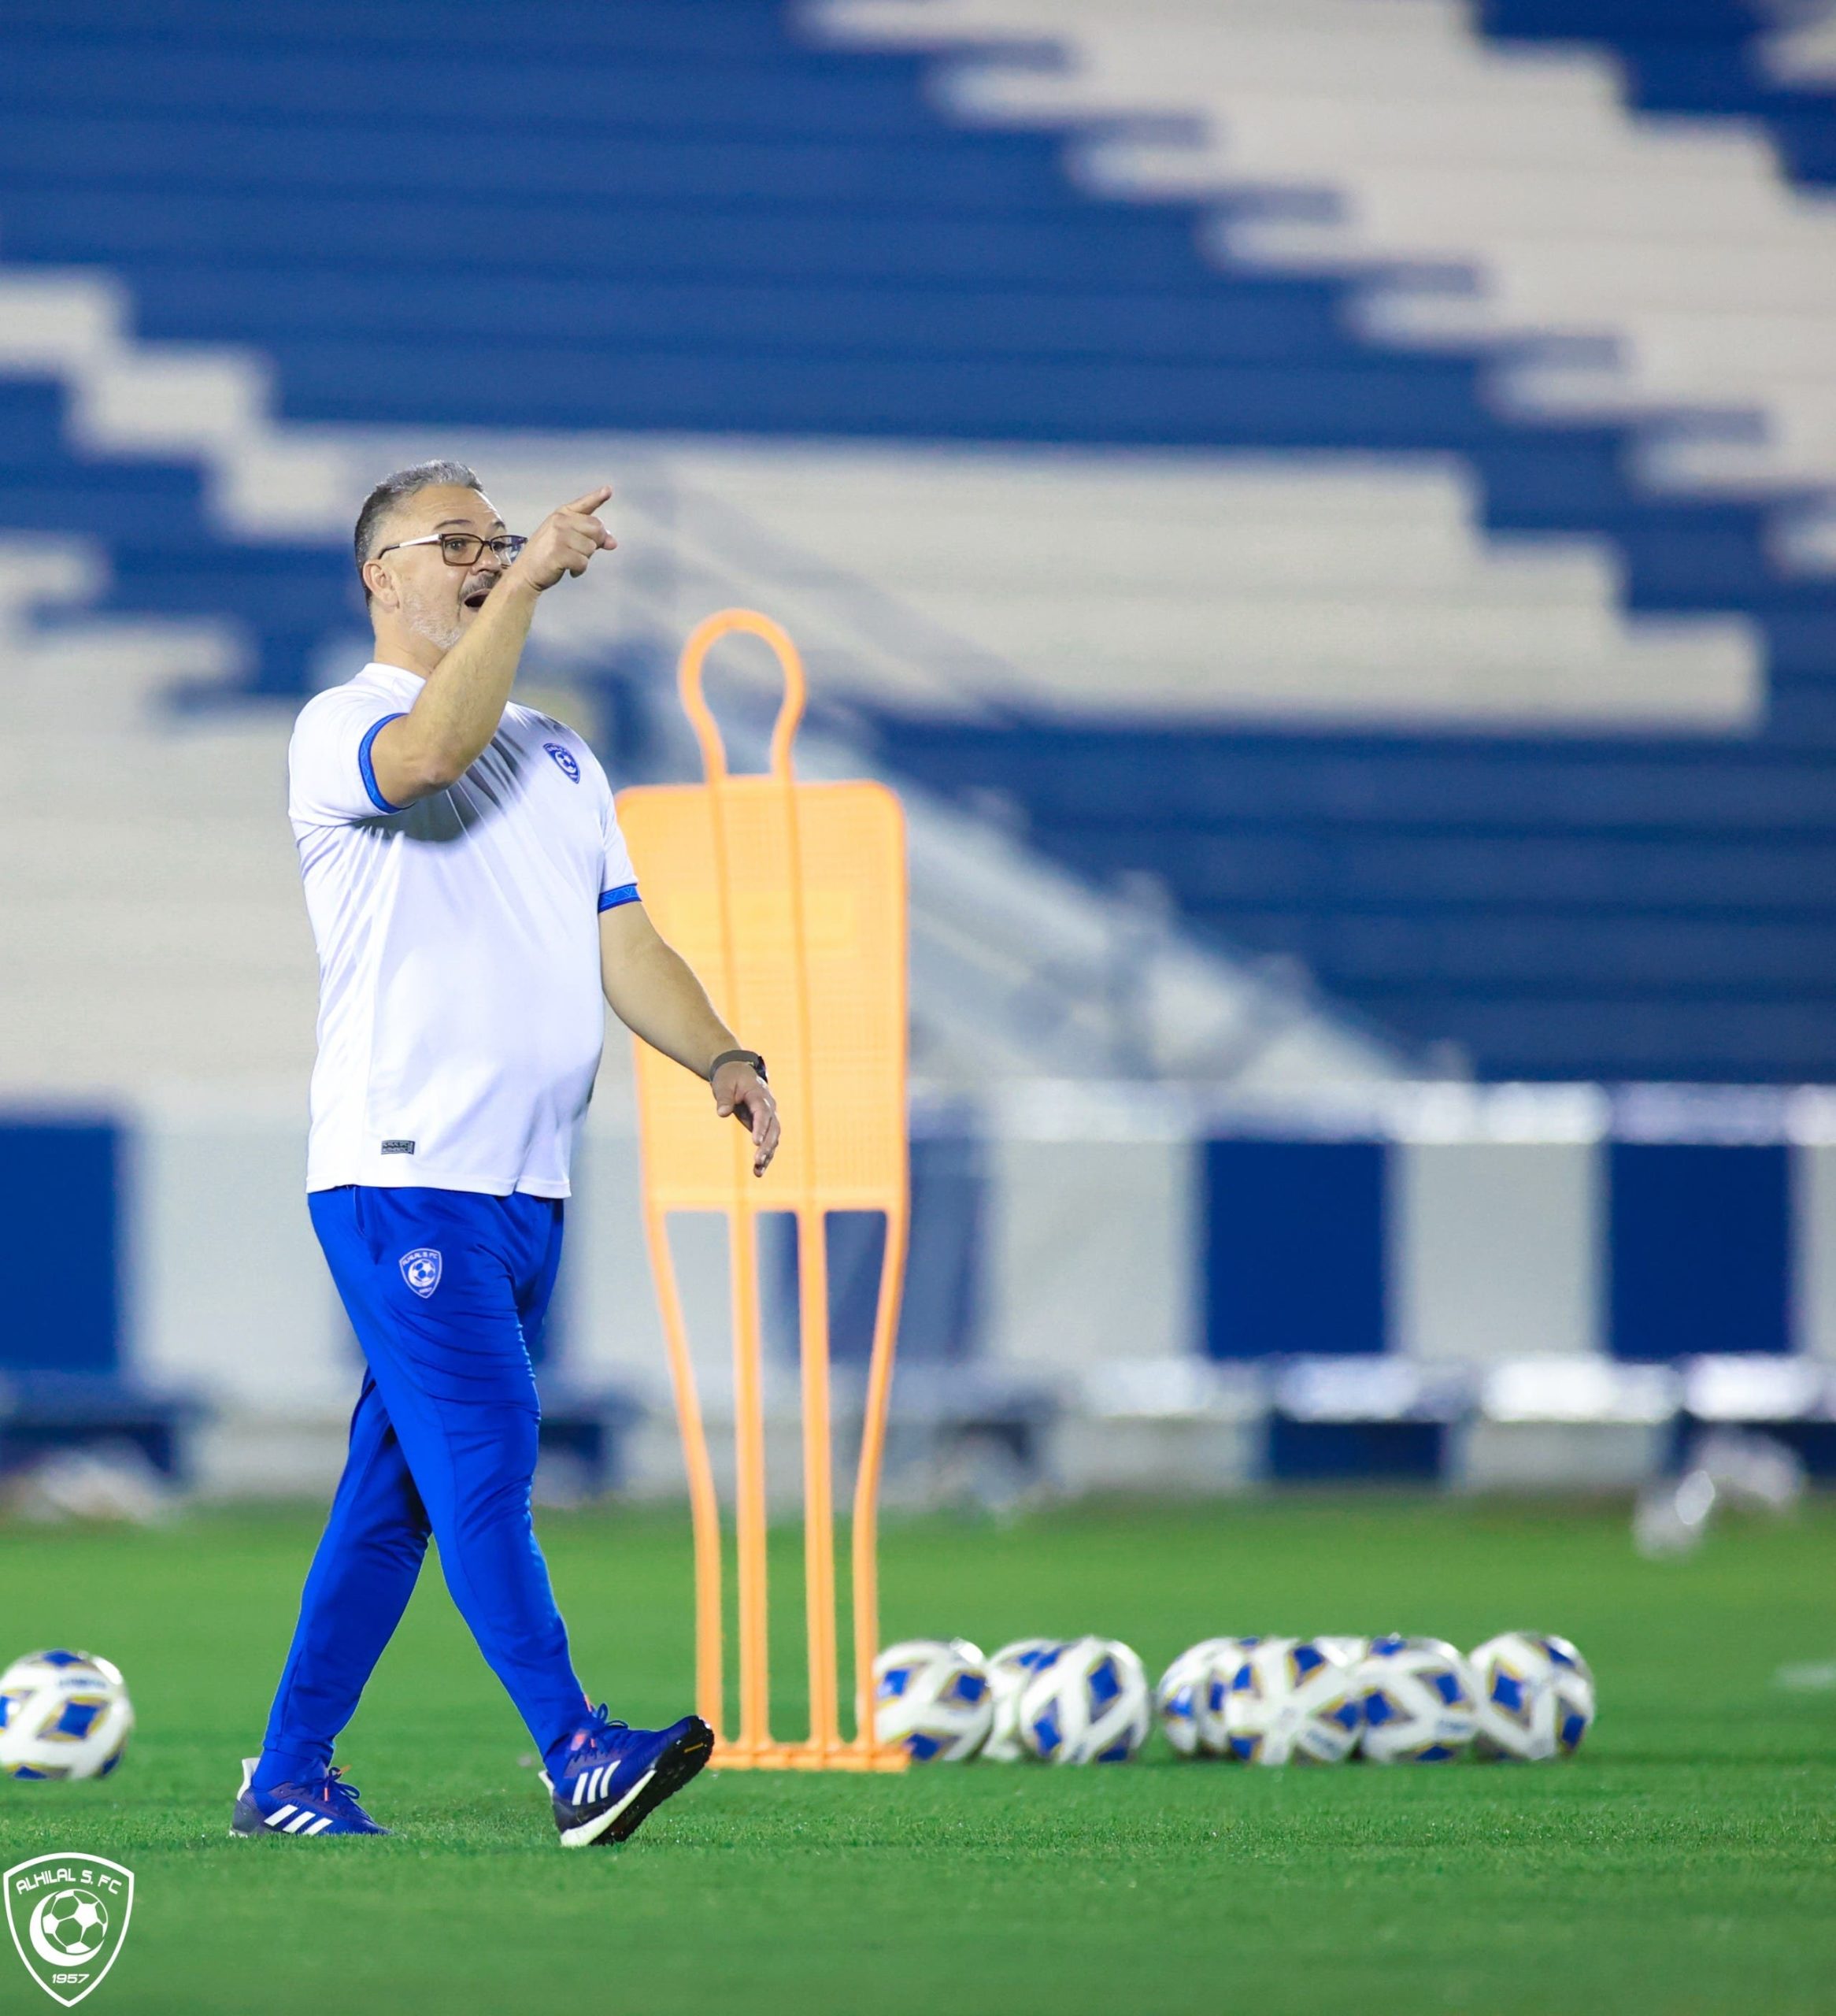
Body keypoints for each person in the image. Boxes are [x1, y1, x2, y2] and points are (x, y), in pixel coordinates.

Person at [232, 461, 778, 1847]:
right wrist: (529, 581)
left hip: (524, 1183)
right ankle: (577, 1751)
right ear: (381, 574)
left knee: (396, 1495)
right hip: (403, 1165)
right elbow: (426, 757)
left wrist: (723, 1054)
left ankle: (287, 1775)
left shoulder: (564, 754)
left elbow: (627, 944)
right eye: (456, 540)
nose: (485, 554)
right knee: (487, 1443)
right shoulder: (337, 726)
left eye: (497, 537)